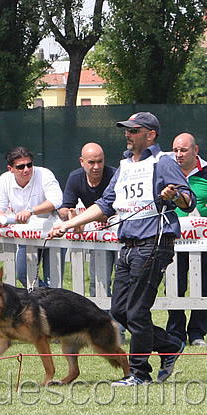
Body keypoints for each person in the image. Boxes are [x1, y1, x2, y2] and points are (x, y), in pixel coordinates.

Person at [49, 112, 194, 386]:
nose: (127, 134)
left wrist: (174, 195)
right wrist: (68, 225)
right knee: (119, 311)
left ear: (150, 135)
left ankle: (139, 374)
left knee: (137, 311)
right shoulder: (125, 166)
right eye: (127, 130)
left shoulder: (163, 163)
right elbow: (105, 204)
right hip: (127, 246)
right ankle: (169, 345)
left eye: (134, 130)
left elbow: (188, 201)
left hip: (153, 242)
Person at [58, 143, 124, 341]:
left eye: (100, 161)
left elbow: (114, 208)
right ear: (82, 162)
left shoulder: (115, 175)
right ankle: (102, 328)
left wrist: (86, 217)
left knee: (123, 284)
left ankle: (120, 327)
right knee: (98, 282)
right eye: (92, 162)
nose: (97, 167)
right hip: (98, 239)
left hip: (121, 236)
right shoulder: (75, 178)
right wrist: (69, 214)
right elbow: (64, 208)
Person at [0, 146, 63, 287]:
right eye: (20, 167)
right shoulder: (5, 179)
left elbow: (56, 200)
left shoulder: (44, 174)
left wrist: (31, 211)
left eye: (29, 165)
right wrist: (1, 218)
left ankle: (50, 300)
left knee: (53, 280)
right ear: (10, 169)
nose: (27, 169)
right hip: (26, 235)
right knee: (23, 275)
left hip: (52, 232)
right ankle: (47, 300)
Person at [165, 133, 207, 347]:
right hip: (173, 239)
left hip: (203, 241)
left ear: (195, 150)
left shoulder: (206, 172)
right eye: (176, 150)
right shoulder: (168, 171)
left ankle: (197, 332)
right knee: (174, 285)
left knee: (204, 286)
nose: (179, 155)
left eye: (183, 150)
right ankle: (175, 331)